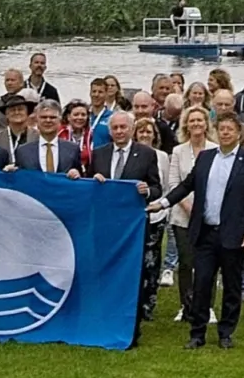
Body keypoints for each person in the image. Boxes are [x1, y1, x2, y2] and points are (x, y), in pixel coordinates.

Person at [151, 112, 244, 350]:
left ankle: (226, 332)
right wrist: (163, 203)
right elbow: (186, 185)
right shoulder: (205, 157)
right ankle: (197, 332)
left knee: (232, 286)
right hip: (205, 232)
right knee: (201, 283)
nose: (225, 133)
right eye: (221, 129)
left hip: (234, 233)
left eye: (229, 129)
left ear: (238, 133)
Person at [91, 111, 163, 342]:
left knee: (132, 272)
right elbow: (87, 185)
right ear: (110, 131)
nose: (120, 132)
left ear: (132, 129)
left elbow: (157, 188)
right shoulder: (98, 155)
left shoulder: (146, 154)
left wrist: (148, 191)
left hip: (132, 228)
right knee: (105, 270)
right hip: (105, 225)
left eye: (124, 127)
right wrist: (94, 182)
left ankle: (131, 321)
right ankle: (104, 316)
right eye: (116, 128)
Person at [165, 107, 219, 320]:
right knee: (186, 263)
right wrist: (189, 208)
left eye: (200, 120)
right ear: (186, 125)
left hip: (210, 217)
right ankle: (186, 306)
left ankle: (208, 306)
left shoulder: (216, 150)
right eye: (192, 120)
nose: (196, 124)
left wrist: (203, 212)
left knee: (209, 263)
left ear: (206, 124)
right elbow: (173, 183)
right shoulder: (178, 151)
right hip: (182, 216)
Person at [12, 100, 84, 176]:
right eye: (43, 117)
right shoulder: (22, 151)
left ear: (59, 120)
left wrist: (76, 174)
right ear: (37, 120)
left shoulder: (73, 149)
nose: (48, 120)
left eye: (52, 117)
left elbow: (81, 179)